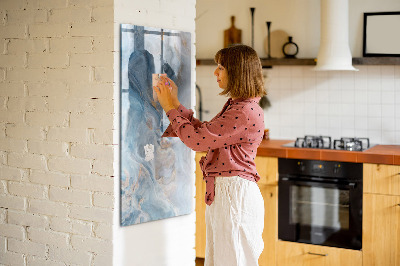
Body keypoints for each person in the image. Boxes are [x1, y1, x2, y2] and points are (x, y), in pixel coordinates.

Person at [153, 44, 266, 266]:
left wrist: (169, 108)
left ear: (237, 71)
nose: (215, 72)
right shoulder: (239, 106)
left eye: (221, 67)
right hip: (228, 194)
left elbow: (197, 141)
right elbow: (205, 133)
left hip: (234, 196)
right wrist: (175, 103)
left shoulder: (243, 111)